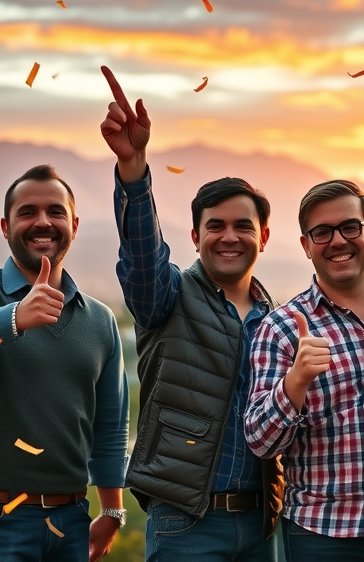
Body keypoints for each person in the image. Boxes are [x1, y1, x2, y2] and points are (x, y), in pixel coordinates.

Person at [98, 66, 284, 562]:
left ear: (263, 237)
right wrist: (134, 171)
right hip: (187, 524)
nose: (229, 236)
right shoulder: (167, 297)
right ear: (196, 236)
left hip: (262, 525)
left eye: (243, 226)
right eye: (215, 226)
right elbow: (141, 257)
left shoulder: (278, 321)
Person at [0, 164, 129, 562]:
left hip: (71, 519)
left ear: (75, 224)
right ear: (5, 226)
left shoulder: (100, 320)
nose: (43, 222)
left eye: (56, 211)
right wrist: (14, 318)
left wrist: (113, 511)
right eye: (27, 212)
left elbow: (110, 426)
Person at [245, 180, 364, 562]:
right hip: (322, 535)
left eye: (350, 227)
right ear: (306, 245)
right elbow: (260, 442)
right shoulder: (282, 328)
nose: (338, 240)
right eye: (321, 232)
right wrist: (295, 381)